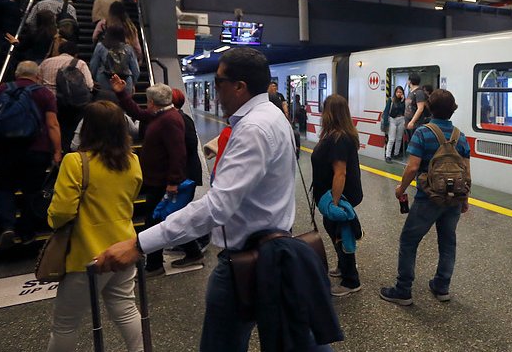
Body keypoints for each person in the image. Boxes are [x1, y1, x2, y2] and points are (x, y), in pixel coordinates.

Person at [95, 47, 341, 351]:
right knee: (298, 336)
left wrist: (139, 244)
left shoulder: (253, 128)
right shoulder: (272, 116)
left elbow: (217, 206)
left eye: (219, 82)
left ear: (239, 86)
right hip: (273, 253)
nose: (216, 90)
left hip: (247, 261)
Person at [46, 101, 144, 352]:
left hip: (87, 254)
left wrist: (52, 220)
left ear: (87, 128)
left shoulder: (75, 161)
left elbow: (61, 212)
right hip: (124, 245)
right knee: (125, 307)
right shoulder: (132, 160)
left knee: (66, 324)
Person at [380, 89, 470, 306]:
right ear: (452, 110)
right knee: (448, 242)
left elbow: (412, 168)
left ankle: (403, 290)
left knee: (409, 241)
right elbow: (466, 172)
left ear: (430, 107)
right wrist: (465, 198)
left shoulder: (423, 133)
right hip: (454, 199)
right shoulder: (460, 136)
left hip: (428, 198)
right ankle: (442, 286)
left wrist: (401, 189)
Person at [0, 61, 62, 249]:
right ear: (37, 75)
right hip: (36, 149)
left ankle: (7, 226)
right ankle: (27, 232)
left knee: (5, 188)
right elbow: (52, 124)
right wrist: (57, 151)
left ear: (17, 74)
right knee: (32, 190)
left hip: (4, 149)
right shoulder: (44, 93)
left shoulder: (1, 90)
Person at [111, 78, 186, 276]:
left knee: (153, 223)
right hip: (156, 180)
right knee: (164, 220)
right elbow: (137, 113)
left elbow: (178, 152)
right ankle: (191, 252)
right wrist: (121, 93)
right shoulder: (160, 115)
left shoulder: (170, 120)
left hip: (163, 182)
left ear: (152, 102)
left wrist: (173, 182)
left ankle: (154, 265)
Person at [312, 94, 363, 297]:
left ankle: (351, 281)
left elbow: (340, 172)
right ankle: (343, 267)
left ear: (330, 113)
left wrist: (334, 203)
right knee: (335, 231)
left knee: (341, 234)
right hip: (335, 195)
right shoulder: (338, 135)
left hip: (339, 197)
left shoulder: (338, 139)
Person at [168, 88, 207, 267]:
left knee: (175, 213)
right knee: (177, 212)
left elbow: (190, 144)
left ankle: (194, 248)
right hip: (185, 173)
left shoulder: (181, 120)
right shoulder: (180, 118)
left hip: (185, 174)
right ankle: (187, 244)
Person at [39, 41, 93, 151]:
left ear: (59, 51)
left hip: (49, 104)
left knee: (50, 129)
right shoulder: (80, 63)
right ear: (76, 53)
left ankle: (52, 154)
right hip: (72, 105)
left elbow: (37, 83)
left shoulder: (46, 62)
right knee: (70, 132)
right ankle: (67, 154)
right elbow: (89, 85)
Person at [89, 25, 139, 93]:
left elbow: (93, 65)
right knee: (125, 102)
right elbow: (135, 69)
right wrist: (133, 83)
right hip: (125, 82)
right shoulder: (128, 48)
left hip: (104, 80)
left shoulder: (100, 46)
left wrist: (93, 80)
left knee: (106, 103)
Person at [382, 86, 406, 163]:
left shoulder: (404, 101)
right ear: (395, 92)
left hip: (401, 119)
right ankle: (388, 155)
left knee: (399, 138)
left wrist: (403, 100)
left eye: (401, 92)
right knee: (392, 138)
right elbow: (386, 111)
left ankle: (396, 153)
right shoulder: (391, 100)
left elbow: (404, 110)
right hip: (392, 119)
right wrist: (385, 122)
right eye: (397, 92)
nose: (399, 94)